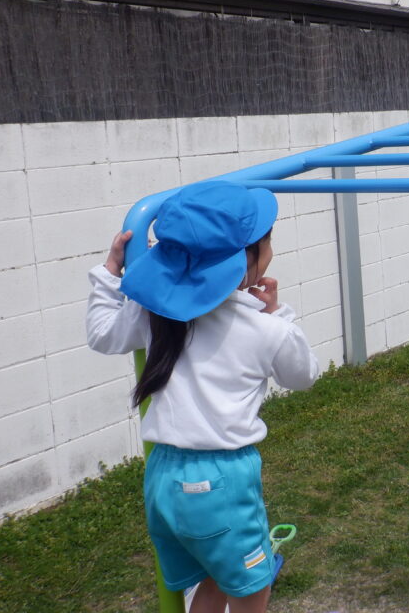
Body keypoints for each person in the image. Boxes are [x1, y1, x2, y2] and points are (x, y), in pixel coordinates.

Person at [86, 181, 322, 613]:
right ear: (247, 260)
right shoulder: (266, 330)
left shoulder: (154, 313)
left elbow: (102, 334)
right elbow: (303, 376)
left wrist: (109, 273)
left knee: (210, 576)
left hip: (163, 476)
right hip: (222, 483)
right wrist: (278, 314)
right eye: (267, 242)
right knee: (252, 587)